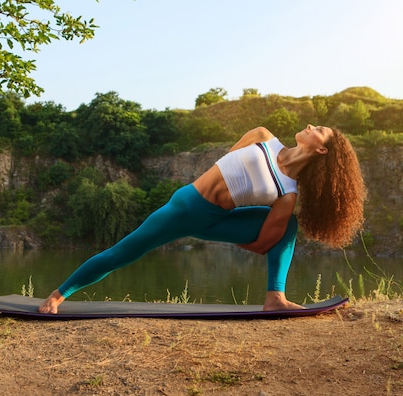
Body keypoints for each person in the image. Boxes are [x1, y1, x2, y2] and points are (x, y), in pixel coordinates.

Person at [38, 124, 366, 314]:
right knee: (125, 251)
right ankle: (57, 296)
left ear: (322, 150)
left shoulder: (287, 194)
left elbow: (266, 241)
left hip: (217, 220)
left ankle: (275, 298)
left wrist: (220, 232)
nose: (311, 126)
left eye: (319, 130)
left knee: (288, 226)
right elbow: (224, 162)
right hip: (186, 205)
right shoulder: (263, 136)